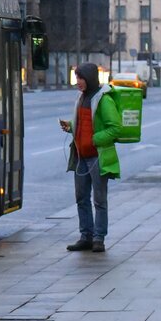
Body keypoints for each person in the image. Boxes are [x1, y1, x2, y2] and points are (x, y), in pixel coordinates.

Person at [58, 62, 121, 253]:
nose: (78, 81)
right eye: (76, 77)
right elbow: (84, 123)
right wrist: (70, 126)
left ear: (90, 79)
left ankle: (98, 238)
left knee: (99, 200)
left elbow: (115, 128)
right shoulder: (81, 98)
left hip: (97, 156)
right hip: (81, 156)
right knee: (81, 198)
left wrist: (95, 139)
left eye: (81, 78)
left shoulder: (103, 99)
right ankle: (86, 236)